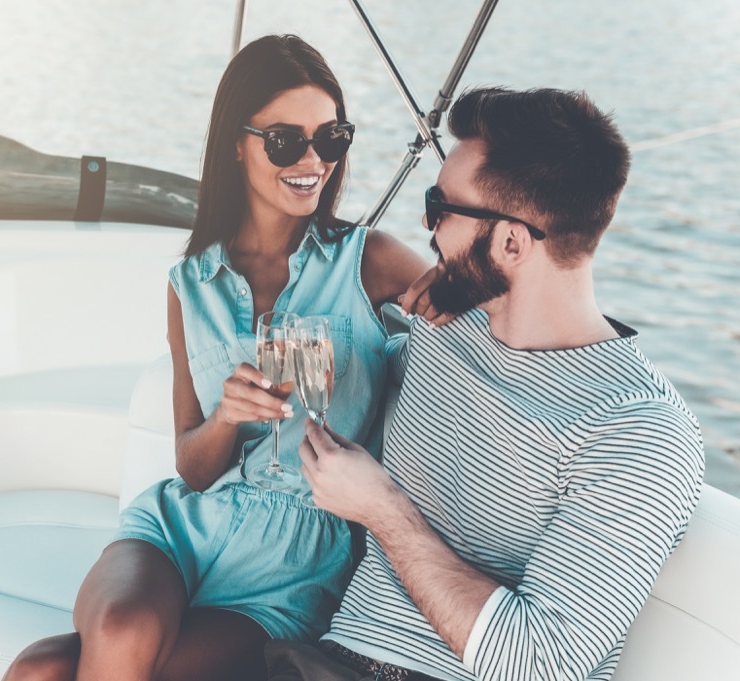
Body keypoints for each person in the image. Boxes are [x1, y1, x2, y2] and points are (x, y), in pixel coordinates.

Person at [2, 34, 438, 681]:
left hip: (295, 558)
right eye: (288, 141)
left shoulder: (368, 260)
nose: (313, 160)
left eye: (332, 138)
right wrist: (227, 417)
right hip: (181, 529)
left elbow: (477, 317)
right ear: (238, 144)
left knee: (43, 669)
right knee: (122, 628)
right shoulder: (191, 284)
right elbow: (191, 464)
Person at [267, 87, 706, 681]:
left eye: (440, 207)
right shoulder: (446, 326)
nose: (426, 227)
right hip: (322, 655)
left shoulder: (636, 428)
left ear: (510, 242)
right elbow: (353, 384)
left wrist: (383, 509)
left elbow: (540, 663)